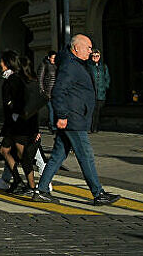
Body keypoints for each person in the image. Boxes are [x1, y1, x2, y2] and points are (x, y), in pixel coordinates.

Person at [33, 34, 120, 206]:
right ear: (76, 48)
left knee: (58, 155)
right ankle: (98, 193)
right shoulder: (70, 66)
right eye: (88, 47)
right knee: (86, 155)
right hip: (73, 119)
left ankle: (41, 190)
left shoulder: (75, 64)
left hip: (74, 117)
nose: (90, 50)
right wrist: (63, 115)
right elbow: (58, 91)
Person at [0, 51, 42, 195]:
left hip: (20, 124)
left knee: (24, 156)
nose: (0, 64)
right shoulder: (10, 78)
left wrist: (12, 106)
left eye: (2, 62)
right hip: (13, 124)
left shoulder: (14, 79)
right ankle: (17, 180)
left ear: (7, 63)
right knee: (4, 151)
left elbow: (25, 104)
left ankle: (32, 187)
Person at [88, 49, 110, 133]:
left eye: (97, 56)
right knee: (93, 111)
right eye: (93, 56)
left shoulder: (103, 67)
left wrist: (105, 87)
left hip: (101, 92)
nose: (95, 58)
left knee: (99, 110)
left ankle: (96, 126)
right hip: (92, 93)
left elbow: (107, 78)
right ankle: (92, 127)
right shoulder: (89, 66)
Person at [38, 50, 57, 133]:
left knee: (55, 109)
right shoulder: (44, 65)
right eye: (53, 58)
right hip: (47, 91)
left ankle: (51, 124)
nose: (54, 60)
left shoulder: (57, 65)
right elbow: (40, 78)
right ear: (49, 58)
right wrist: (42, 90)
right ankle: (53, 126)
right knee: (51, 109)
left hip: (56, 91)